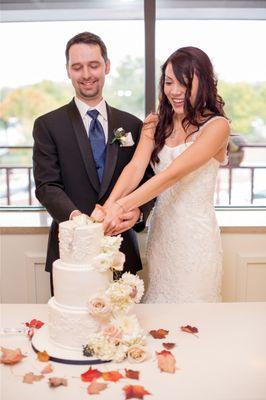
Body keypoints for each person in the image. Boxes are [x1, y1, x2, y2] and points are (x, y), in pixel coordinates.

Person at [92, 46, 230, 303]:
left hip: (196, 239)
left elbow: (170, 176)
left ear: (205, 84)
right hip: (163, 235)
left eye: (184, 84)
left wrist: (119, 207)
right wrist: (104, 210)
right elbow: (134, 169)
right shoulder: (156, 123)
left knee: (193, 315)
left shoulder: (217, 126)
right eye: (168, 82)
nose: (174, 91)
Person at [33, 32, 154, 294]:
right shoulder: (47, 126)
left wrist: (138, 212)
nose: (86, 74)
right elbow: (46, 185)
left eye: (93, 65)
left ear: (106, 66)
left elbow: (147, 181)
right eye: (77, 67)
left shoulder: (132, 124)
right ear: (68, 71)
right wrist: (80, 223)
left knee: (122, 330)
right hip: (70, 251)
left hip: (122, 251)